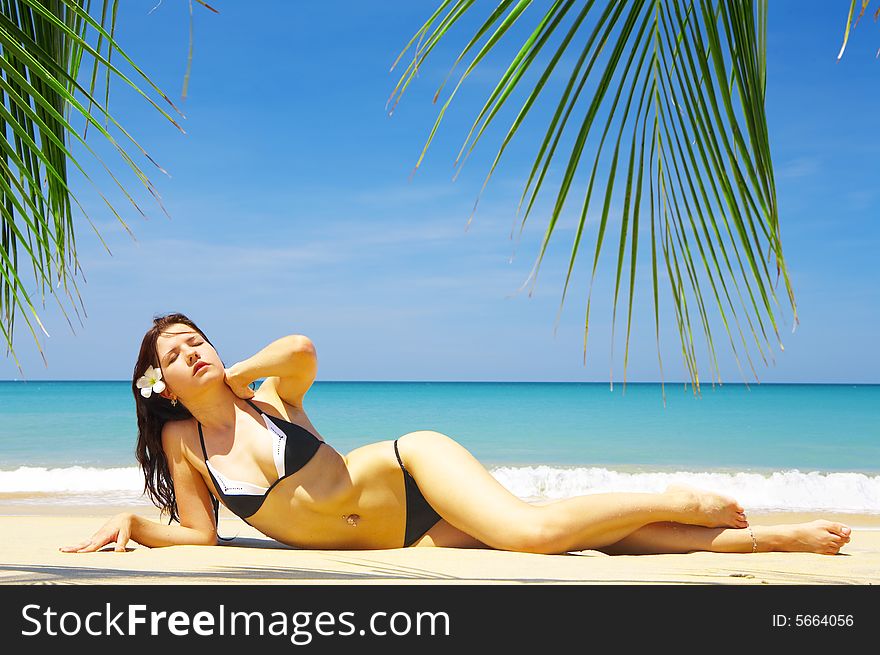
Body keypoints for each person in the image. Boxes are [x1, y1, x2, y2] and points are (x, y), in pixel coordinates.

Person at [61, 313, 852, 556]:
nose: (195, 350)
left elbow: (302, 349)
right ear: (160, 383)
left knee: (536, 530)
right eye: (176, 353)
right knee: (591, 547)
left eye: (197, 337)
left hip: (410, 469)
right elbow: (200, 537)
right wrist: (133, 523)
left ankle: (674, 492)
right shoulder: (184, 447)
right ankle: (769, 540)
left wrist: (236, 379)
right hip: (407, 540)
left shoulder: (267, 391)